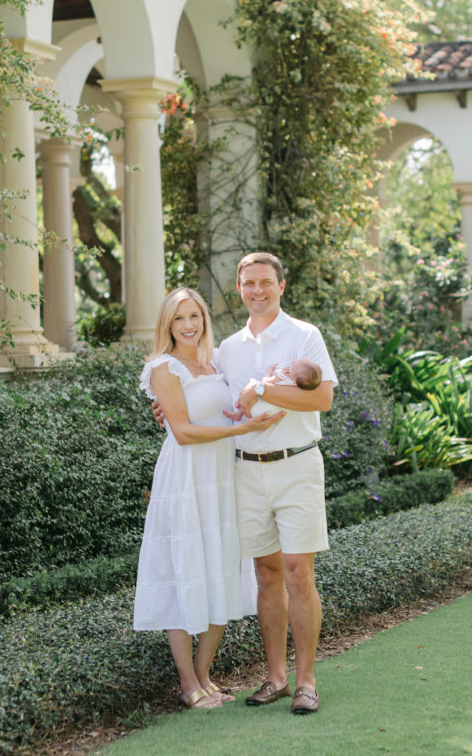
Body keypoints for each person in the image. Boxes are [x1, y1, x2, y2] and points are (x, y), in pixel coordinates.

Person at [134, 286, 286, 711]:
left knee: (220, 569)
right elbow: (181, 432)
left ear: (203, 319)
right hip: (185, 480)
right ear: (167, 324)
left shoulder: (216, 361)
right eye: (179, 319)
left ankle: (204, 674)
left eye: (194, 317)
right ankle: (187, 683)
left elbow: (240, 396)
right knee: (186, 573)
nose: (188, 326)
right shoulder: (163, 367)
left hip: (221, 479)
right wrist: (241, 432)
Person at [219, 252, 337, 715]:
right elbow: (209, 392)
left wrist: (263, 389)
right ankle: (276, 679)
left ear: (281, 285)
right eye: (249, 283)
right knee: (265, 575)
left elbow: (323, 397)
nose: (257, 290)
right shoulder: (228, 348)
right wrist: (166, 406)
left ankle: (307, 681)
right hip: (246, 470)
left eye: (265, 282)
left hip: (296, 465)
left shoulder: (304, 335)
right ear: (239, 288)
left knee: (297, 572)